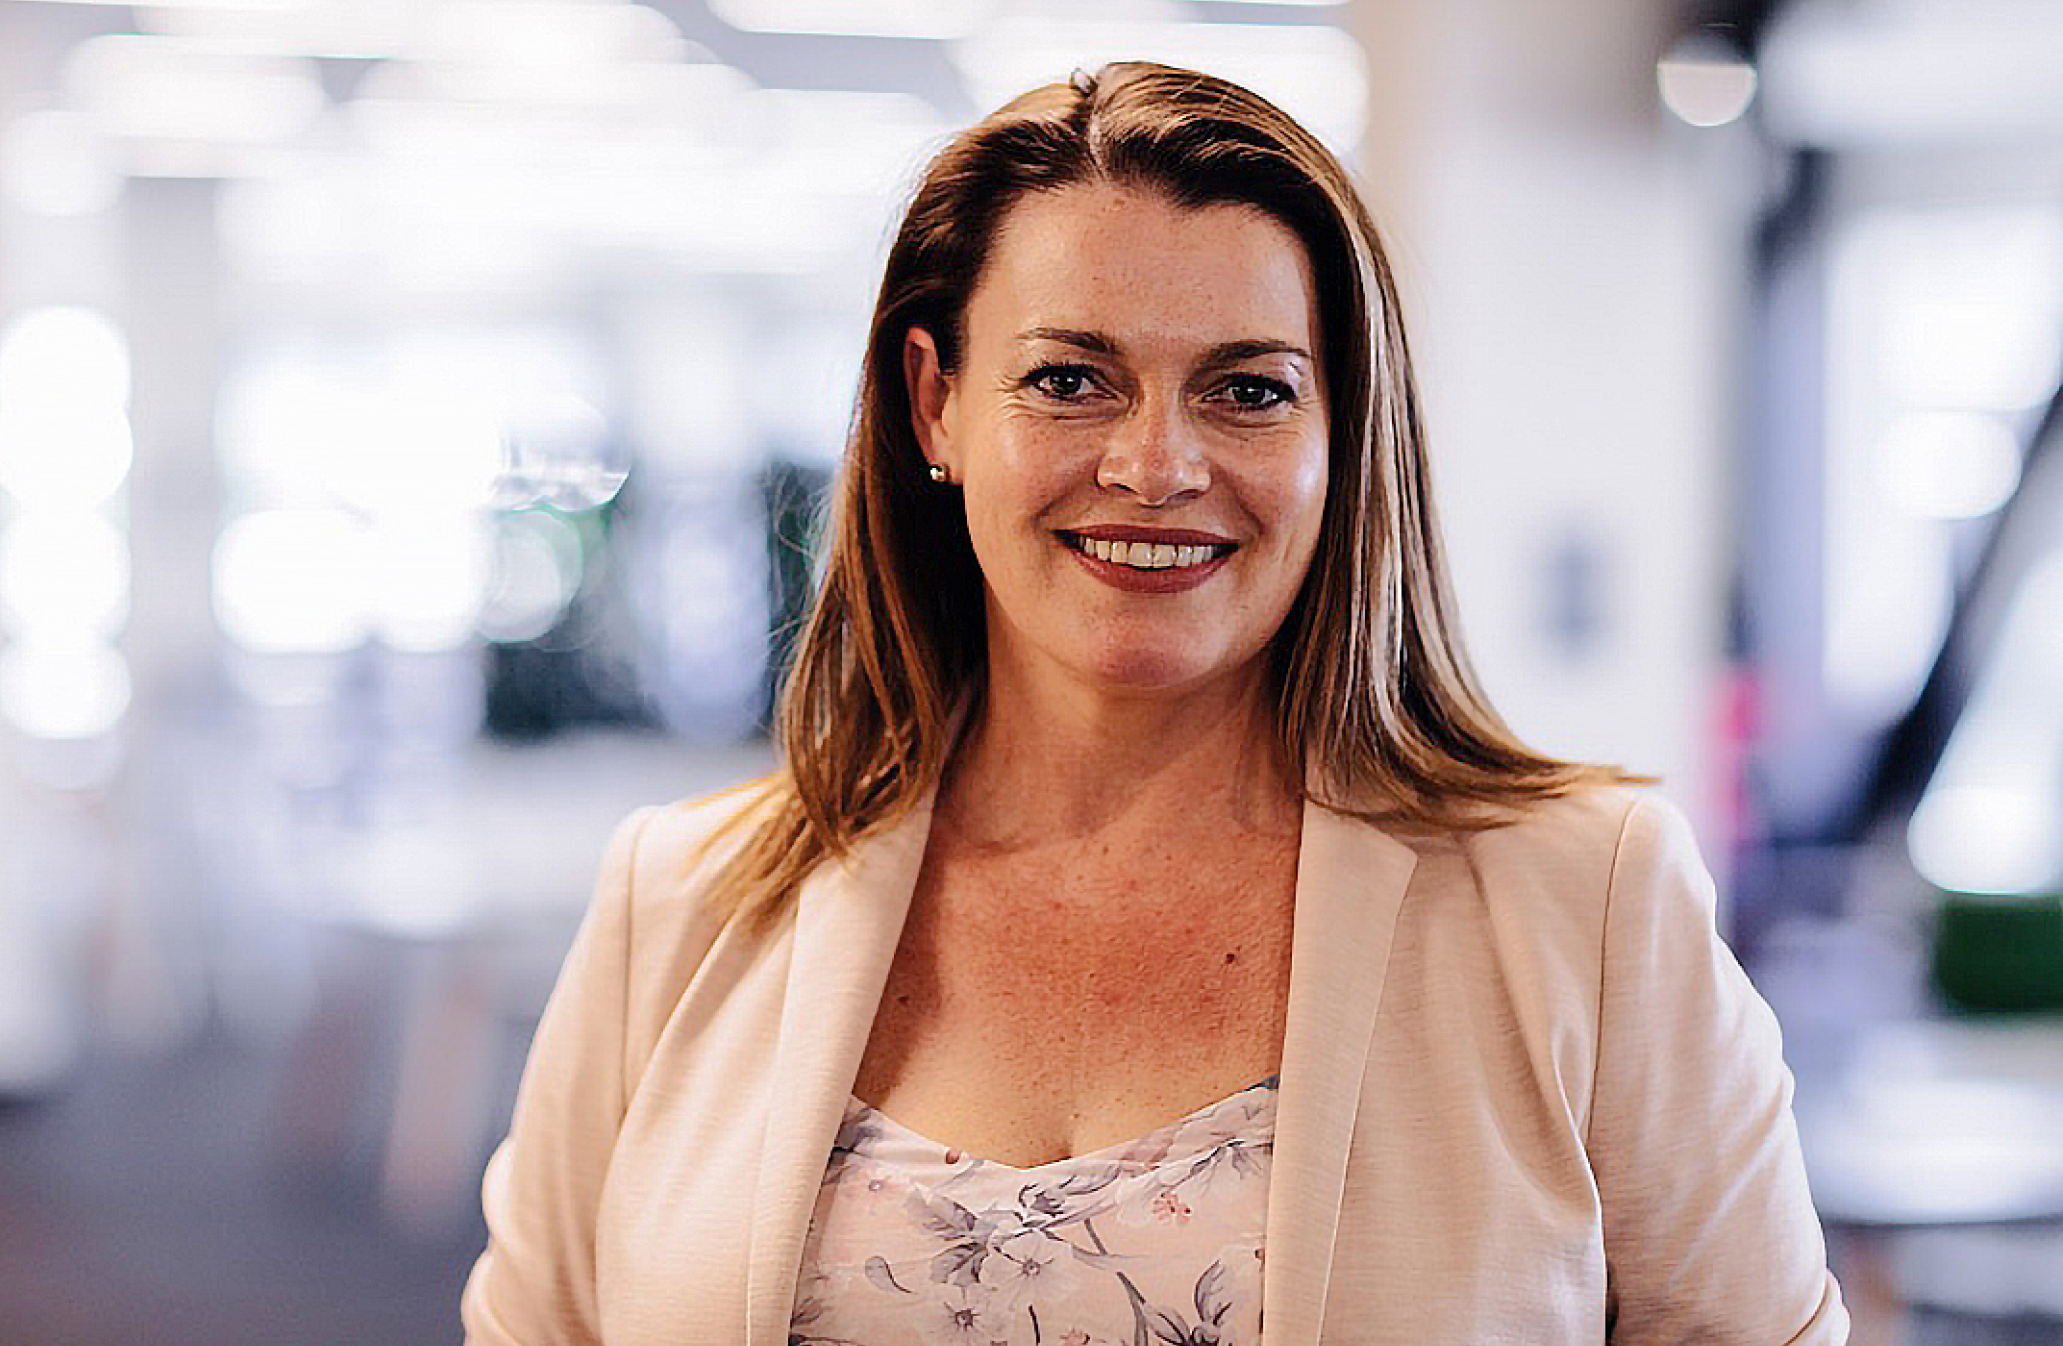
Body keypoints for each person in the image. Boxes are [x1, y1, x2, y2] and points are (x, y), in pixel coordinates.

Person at [461, 62, 1847, 1345]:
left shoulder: (1584, 903)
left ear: (1337, 433)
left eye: (1249, 390)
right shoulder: (681, 904)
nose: (1157, 462)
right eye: (1071, 379)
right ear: (935, 404)